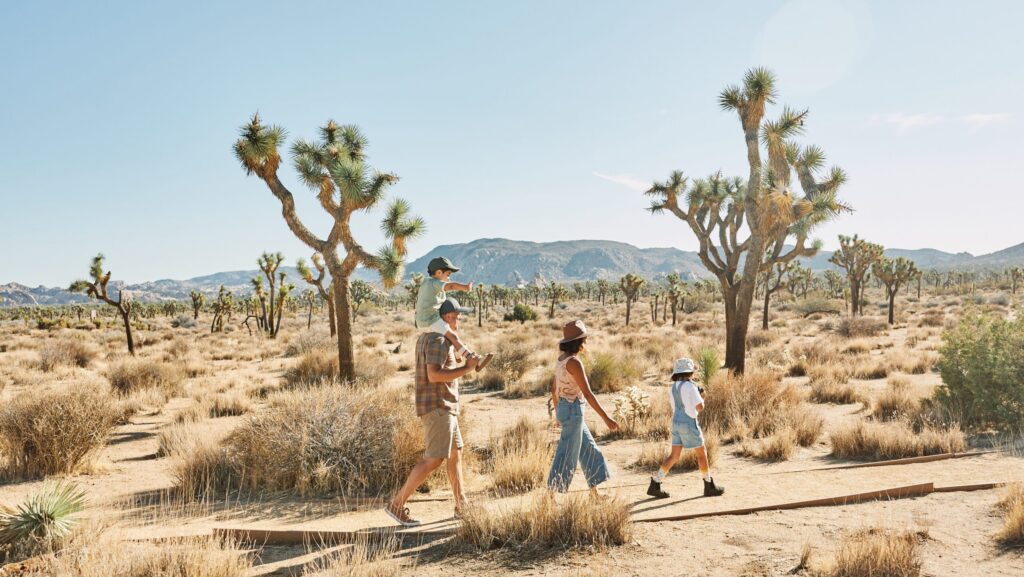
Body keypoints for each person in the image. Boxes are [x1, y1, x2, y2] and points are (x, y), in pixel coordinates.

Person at [386, 298, 479, 527]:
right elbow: (434, 375)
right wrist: (466, 369)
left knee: (456, 453)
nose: (459, 318)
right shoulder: (438, 340)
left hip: (444, 405)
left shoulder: (430, 337)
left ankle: (461, 504)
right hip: (438, 406)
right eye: (456, 315)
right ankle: (396, 504)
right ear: (446, 317)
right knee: (434, 459)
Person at [547, 320, 619, 497]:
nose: (585, 343)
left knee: (588, 449)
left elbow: (554, 388)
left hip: (566, 409)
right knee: (566, 454)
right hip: (573, 411)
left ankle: (594, 493)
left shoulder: (561, 360)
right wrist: (606, 418)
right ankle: (549, 497)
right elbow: (587, 393)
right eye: (584, 340)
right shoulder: (575, 363)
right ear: (578, 342)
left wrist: (558, 413)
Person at [646, 358, 725, 499]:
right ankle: (709, 485)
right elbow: (700, 408)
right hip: (689, 422)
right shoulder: (691, 387)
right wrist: (702, 397)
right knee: (702, 454)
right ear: (689, 372)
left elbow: (676, 405)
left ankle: (655, 483)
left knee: (674, 456)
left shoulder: (673, 387)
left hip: (676, 422)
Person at [416, 256, 492, 371]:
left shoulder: (426, 283)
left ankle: (457, 355)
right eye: (448, 274)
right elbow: (451, 286)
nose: (449, 277)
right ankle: (471, 358)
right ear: (439, 272)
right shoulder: (435, 283)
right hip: (430, 319)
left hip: (422, 320)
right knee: (453, 336)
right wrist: (465, 288)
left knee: (450, 336)